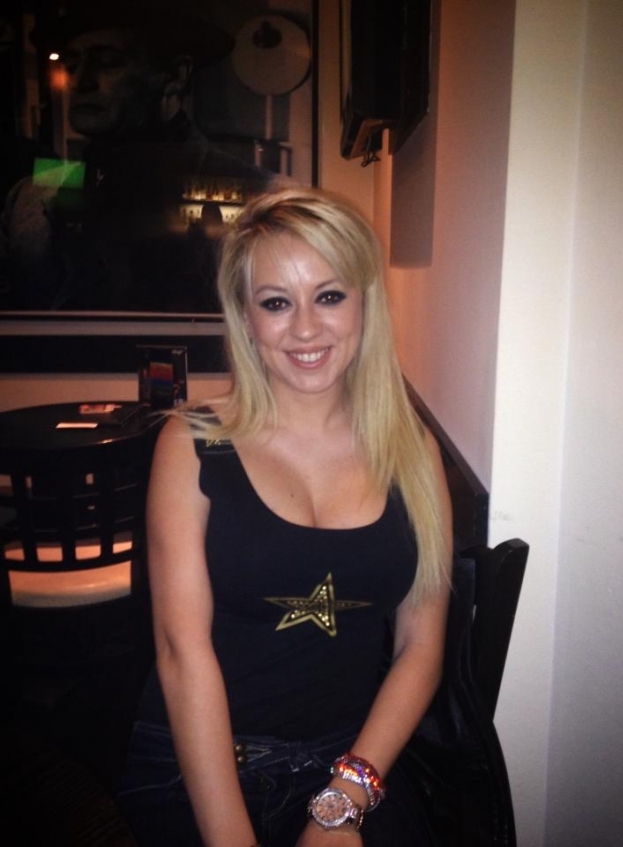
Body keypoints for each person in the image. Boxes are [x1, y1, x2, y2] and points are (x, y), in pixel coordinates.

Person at [117, 186, 453, 846]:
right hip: (197, 763)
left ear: (365, 302)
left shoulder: (413, 451)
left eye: (328, 295)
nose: (304, 328)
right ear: (246, 319)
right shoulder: (191, 442)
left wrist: (343, 800)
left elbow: (421, 647)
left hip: (349, 758)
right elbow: (182, 653)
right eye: (276, 302)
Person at [1, 0, 276, 312]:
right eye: (71, 64)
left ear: (176, 75)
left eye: (108, 61)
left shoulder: (262, 196)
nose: (80, 81)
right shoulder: (30, 194)